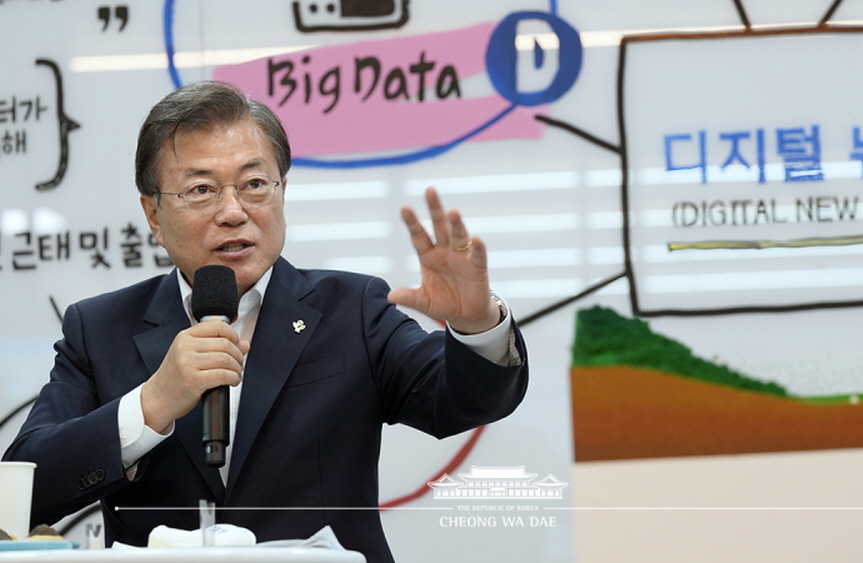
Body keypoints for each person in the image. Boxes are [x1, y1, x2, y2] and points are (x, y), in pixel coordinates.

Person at [3, 81, 528, 562]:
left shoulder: (353, 308)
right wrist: (151, 405)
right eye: (202, 190)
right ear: (154, 215)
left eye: (254, 183)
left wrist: (477, 326)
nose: (233, 211)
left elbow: (465, 402)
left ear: (281, 193)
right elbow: (26, 493)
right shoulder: (99, 329)